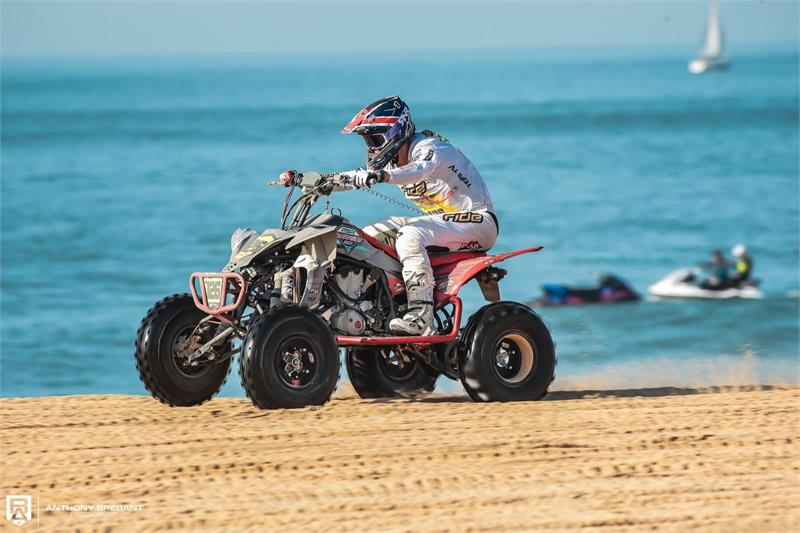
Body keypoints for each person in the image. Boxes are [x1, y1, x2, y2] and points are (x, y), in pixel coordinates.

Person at [282, 96, 497, 335]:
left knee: (409, 235)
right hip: (444, 224)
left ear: (396, 132)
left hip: (478, 221)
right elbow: (358, 177)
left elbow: (418, 170)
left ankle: (420, 314)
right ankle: (375, 305)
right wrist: (320, 181)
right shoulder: (394, 164)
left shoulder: (429, 148)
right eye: (368, 142)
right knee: (365, 236)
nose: (372, 148)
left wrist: (383, 176)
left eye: (375, 139)